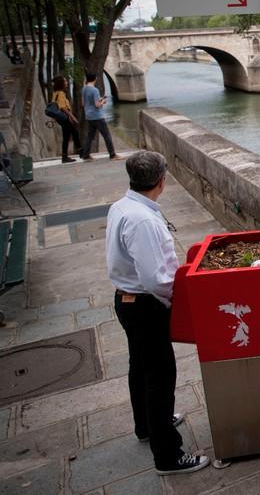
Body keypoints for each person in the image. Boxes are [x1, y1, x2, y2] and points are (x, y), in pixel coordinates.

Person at [106, 152, 209, 476]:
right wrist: (173, 302)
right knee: (160, 377)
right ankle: (168, 455)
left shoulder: (122, 207)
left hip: (127, 300)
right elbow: (156, 279)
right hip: (146, 305)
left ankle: (147, 425)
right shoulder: (144, 220)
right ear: (162, 181)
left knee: (140, 368)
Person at [82, 72, 120, 160]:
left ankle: (86, 155)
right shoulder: (95, 90)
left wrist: (100, 99)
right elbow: (97, 105)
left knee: (90, 136)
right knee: (107, 135)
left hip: (88, 115)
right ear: (95, 79)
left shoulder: (84, 89)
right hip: (97, 116)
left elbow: (83, 103)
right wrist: (103, 102)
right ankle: (112, 154)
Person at [51, 76, 80, 163]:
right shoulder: (60, 94)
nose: (67, 83)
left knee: (67, 136)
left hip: (61, 118)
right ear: (61, 84)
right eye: (65, 82)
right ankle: (81, 151)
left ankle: (65, 157)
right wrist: (72, 117)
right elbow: (63, 107)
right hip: (64, 117)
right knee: (74, 132)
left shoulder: (55, 93)